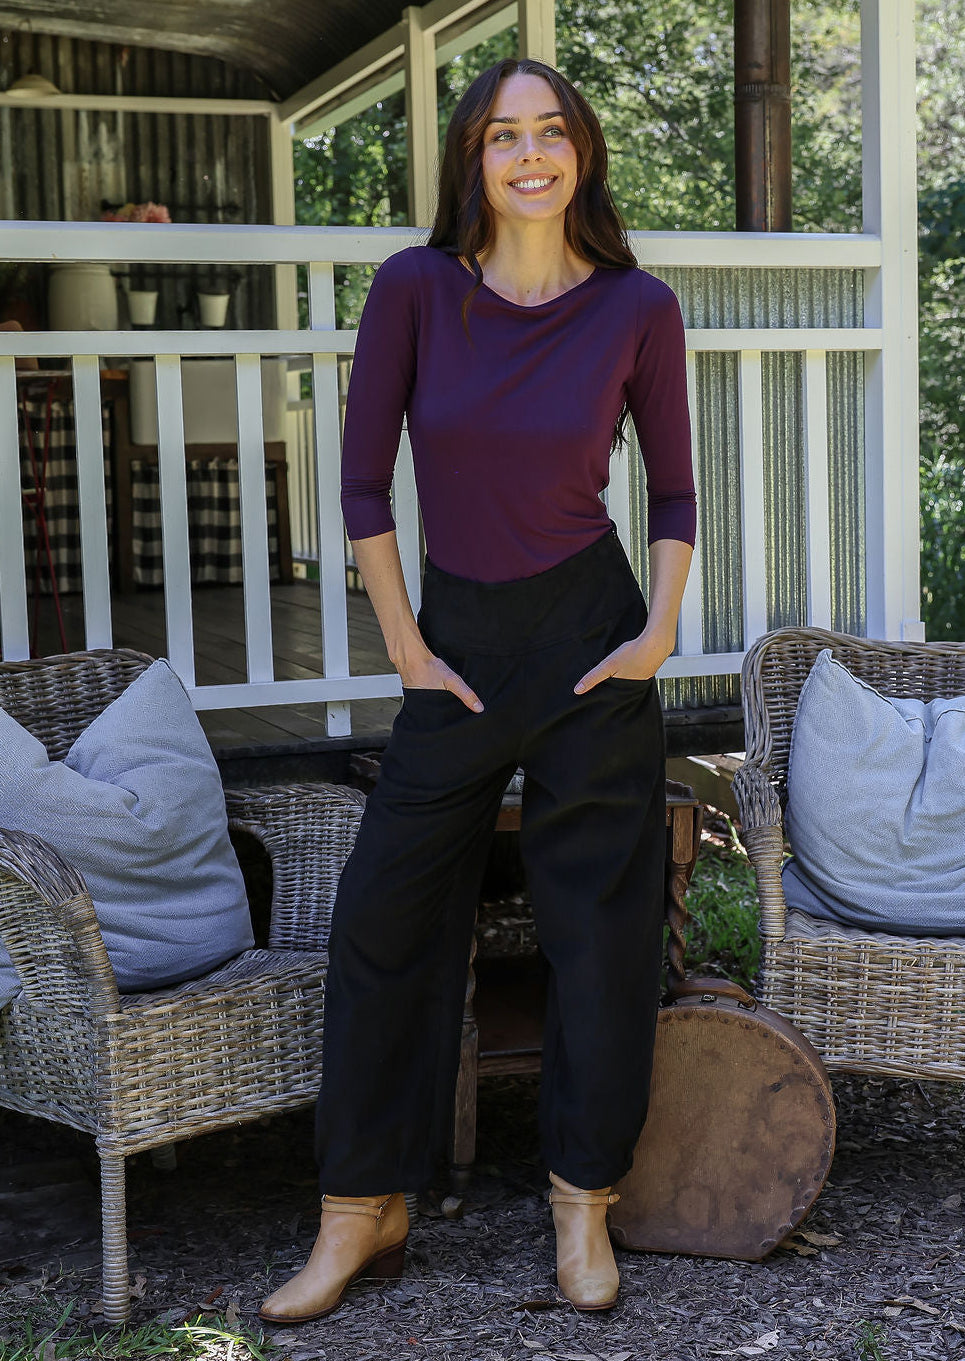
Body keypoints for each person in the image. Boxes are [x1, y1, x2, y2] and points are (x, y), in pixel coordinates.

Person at [260, 56, 695, 1324]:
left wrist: (659, 628)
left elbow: (668, 491)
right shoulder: (412, 291)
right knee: (384, 917)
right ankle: (361, 1209)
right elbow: (358, 483)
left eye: (549, 132)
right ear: (470, 159)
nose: (527, 154)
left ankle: (579, 1208)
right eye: (501, 135)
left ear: (581, 155)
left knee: (599, 935)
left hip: (590, 640)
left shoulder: (635, 307)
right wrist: (402, 640)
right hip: (449, 646)